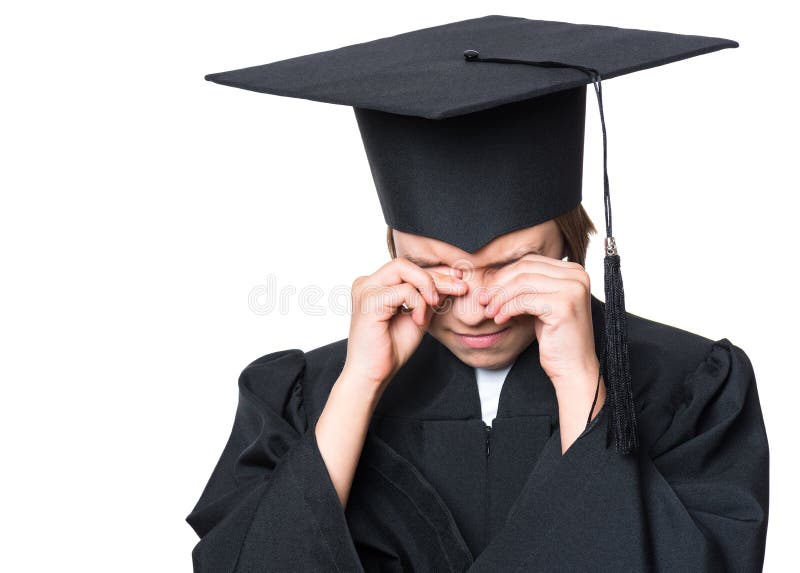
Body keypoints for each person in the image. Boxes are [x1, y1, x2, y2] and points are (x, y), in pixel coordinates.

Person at [186, 15, 769, 572]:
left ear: (569, 244)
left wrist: (580, 383)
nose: (473, 309)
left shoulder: (695, 386)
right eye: (433, 267)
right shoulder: (303, 396)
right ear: (394, 249)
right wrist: (357, 385)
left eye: (516, 264)